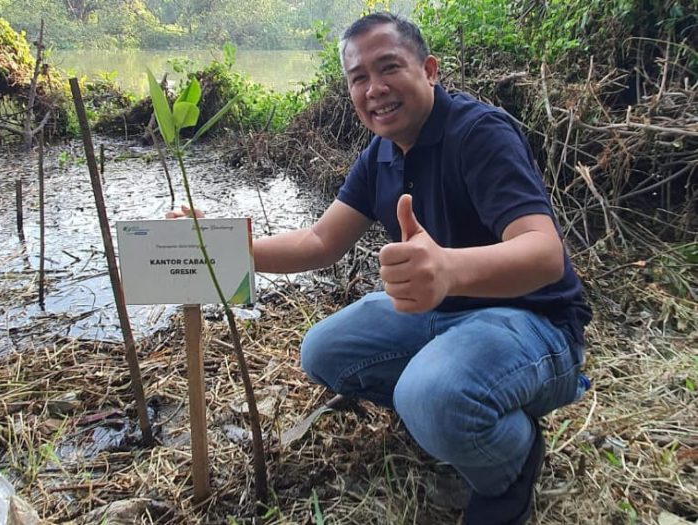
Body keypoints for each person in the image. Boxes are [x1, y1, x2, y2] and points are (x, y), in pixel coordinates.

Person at [175, 12, 591, 524]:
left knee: (430, 397)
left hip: (536, 325)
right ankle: (443, 414)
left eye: (388, 67)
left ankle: (510, 460)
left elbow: (545, 255)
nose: (374, 88)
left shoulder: (480, 133)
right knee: (323, 351)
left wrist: (449, 269)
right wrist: (226, 246)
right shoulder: (381, 154)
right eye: (359, 78)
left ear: (429, 70)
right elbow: (319, 242)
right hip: (445, 316)